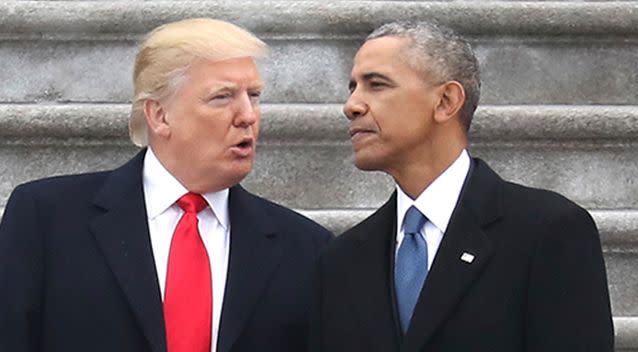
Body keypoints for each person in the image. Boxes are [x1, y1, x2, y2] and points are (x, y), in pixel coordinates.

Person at [0, 18, 332, 352]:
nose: (247, 115)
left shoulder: (307, 248)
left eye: (254, 95)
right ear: (159, 115)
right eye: (222, 97)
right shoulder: (46, 219)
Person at [309, 21, 613, 352]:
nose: (351, 105)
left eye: (377, 85)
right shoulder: (342, 259)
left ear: (446, 101)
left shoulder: (548, 232)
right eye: (352, 87)